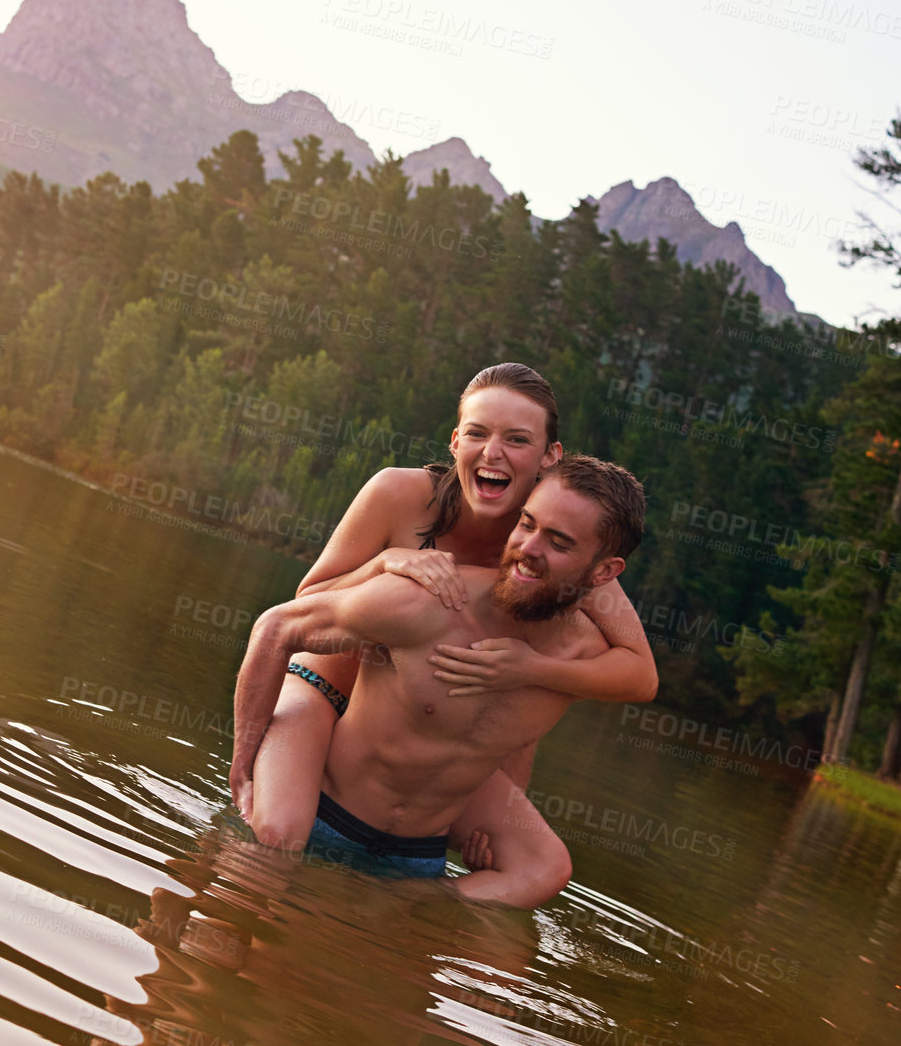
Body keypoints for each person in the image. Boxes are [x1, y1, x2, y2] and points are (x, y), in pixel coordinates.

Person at [228, 364, 656, 905]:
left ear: (550, 457)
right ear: (456, 441)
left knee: (539, 862)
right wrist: (385, 563)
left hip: (430, 713)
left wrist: (529, 668)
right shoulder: (400, 494)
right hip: (327, 685)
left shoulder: (550, 539)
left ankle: (416, 910)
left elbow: (638, 672)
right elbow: (302, 609)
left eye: (517, 439)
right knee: (279, 831)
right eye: (478, 433)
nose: (492, 452)